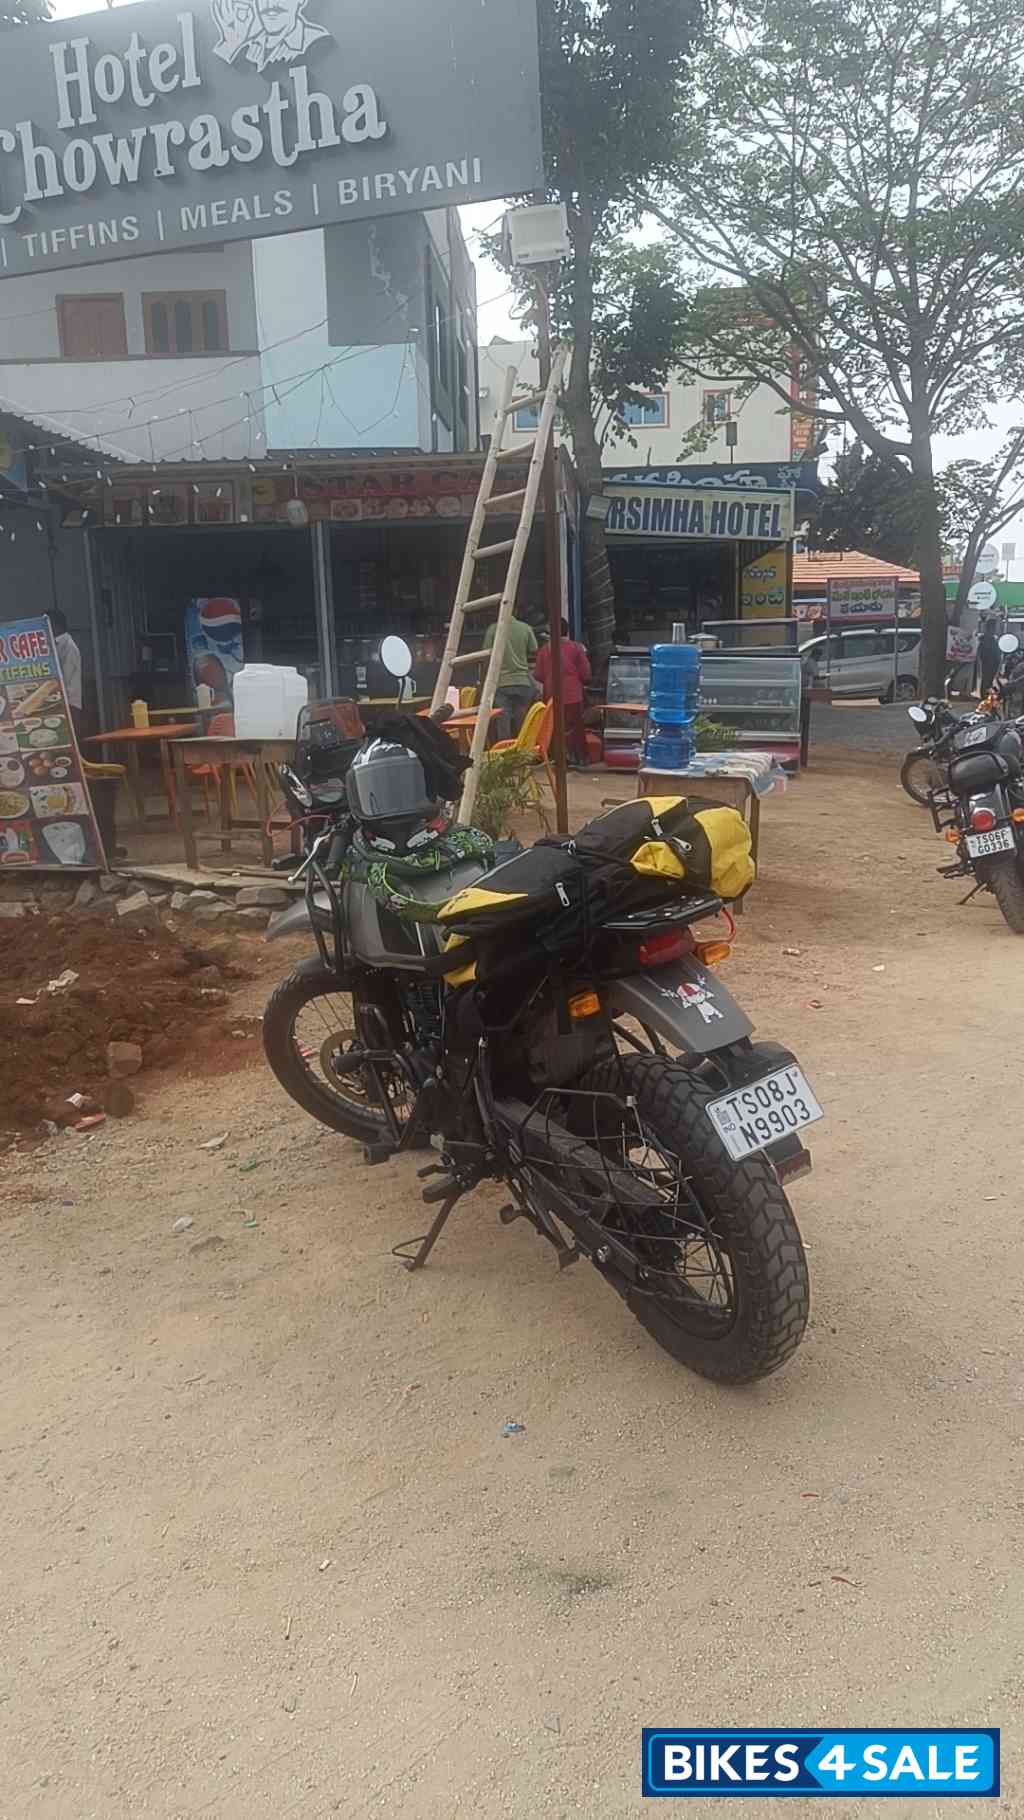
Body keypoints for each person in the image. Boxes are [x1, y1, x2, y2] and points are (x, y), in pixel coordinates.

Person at [534, 618, 592, 766]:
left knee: (553, 728)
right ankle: (579, 758)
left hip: (551, 696)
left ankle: (558, 758)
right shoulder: (576, 648)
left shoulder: (544, 650)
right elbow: (586, 674)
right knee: (575, 728)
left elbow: (538, 674)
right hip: (573, 694)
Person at [483, 608, 539, 739]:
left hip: (501, 683)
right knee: (523, 720)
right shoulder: (526, 628)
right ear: (516, 612)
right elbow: (534, 649)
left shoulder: (493, 629)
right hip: (523, 682)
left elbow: (486, 655)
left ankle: (506, 753)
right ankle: (524, 751)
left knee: (503, 721)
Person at [49, 609, 83, 737]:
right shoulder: (55, 644)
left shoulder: (68, 646)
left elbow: (66, 679)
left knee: (69, 740)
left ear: (56, 625)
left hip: (69, 704)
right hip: (60, 703)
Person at [977, 617, 1001, 698]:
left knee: (989, 680)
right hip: (988, 662)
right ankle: (984, 696)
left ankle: (986, 695)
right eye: (994, 626)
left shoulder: (993, 638)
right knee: (986, 680)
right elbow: (982, 652)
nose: (995, 628)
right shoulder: (985, 638)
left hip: (993, 662)